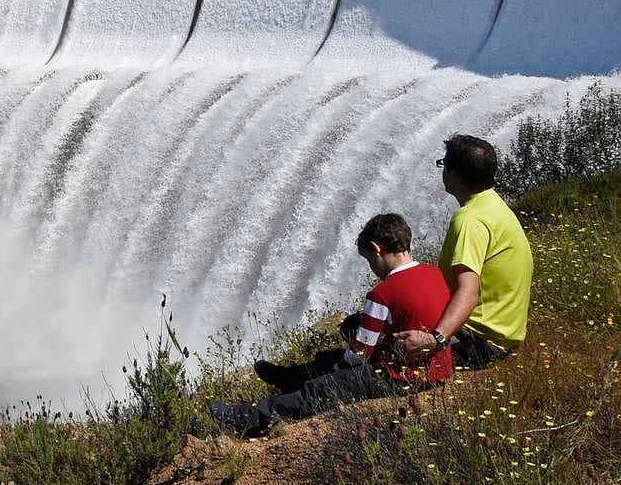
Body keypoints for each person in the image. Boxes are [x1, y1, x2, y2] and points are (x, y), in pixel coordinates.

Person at [209, 213, 453, 438]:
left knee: (318, 389)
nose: (371, 267)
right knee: (331, 359)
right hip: (437, 370)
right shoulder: (434, 273)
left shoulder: (383, 293)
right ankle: (288, 377)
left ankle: (248, 416)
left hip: (401, 377)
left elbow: (359, 355)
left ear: (377, 249)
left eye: (369, 259)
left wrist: (333, 372)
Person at [393, 134, 533, 368]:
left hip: (478, 342)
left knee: (378, 342)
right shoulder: (496, 205)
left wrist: (435, 340)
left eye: (444, 164)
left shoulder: (469, 220)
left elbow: (469, 292)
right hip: (502, 337)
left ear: (454, 173)